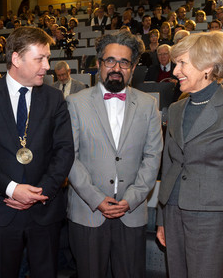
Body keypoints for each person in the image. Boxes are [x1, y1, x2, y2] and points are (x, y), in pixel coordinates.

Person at [0, 26, 74, 278]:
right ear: (16, 58)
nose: (47, 66)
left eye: (47, 58)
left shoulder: (54, 98)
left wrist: (40, 193)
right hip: (0, 207)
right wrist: (12, 189)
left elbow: (64, 151)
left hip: (44, 208)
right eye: (40, 58)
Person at [156, 31, 223, 277]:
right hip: (173, 213)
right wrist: (161, 218)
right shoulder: (176, 109)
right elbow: (168, 167)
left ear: (207, 67)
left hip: (213, 221)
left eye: (182, 63)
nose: (175, 71)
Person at [66, 30, 163, 278]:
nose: (116, 67)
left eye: (124, 62)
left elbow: (153, 158)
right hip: (88, 212)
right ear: (99, 64)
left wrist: (131, 198)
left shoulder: (148, 104)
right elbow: (69, 157)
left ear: (133, 68)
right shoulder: (75, 103)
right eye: (110, 60)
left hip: (131, 212)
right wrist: (97, 198)